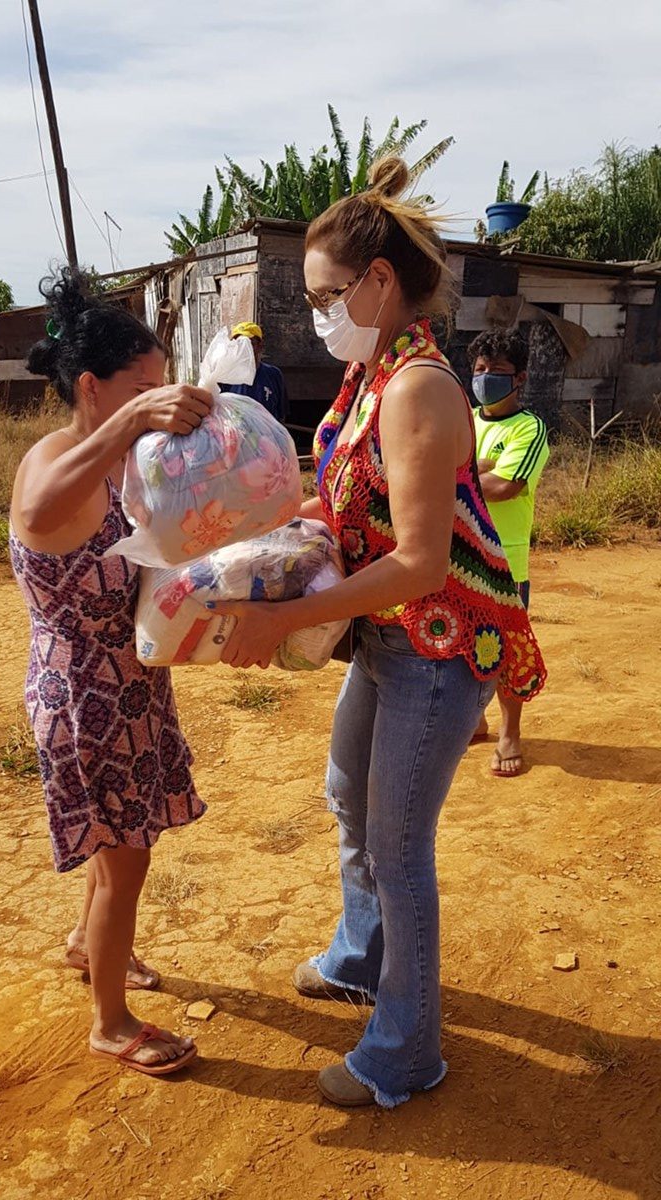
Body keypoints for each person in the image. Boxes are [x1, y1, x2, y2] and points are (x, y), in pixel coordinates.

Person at [208, 156, 546, 1109]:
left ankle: (405, 1050)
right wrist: (274, 527)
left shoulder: (420, 390)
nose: (316, 313)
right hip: (393, 638)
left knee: (398, 845)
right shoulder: (369, 374)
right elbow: (352, 502)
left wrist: (280, 616)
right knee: (347, 795)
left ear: (379, 282)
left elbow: (421, 562)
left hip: (439, 646)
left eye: (325, 295)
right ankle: (363, 957)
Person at [9, 269, 214, 1075]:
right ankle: (109, 1021)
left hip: (125, 687)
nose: (158, 403)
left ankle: (86, 945)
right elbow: (34, 514)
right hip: (84, 700)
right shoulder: (57, 459)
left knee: (117, 844)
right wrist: (129, 423)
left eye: (161, 388)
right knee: (126, 855)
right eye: (142, 390)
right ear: (92, 389)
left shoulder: (116, 466)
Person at [468, 328, 549, 778]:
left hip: (505, 561)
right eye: (480, 371)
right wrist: (475, 468)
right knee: (463, 645)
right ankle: (474, 721)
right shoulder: (465, 418)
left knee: (508, 651)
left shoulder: (529, 428)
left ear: (519, 379)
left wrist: (458, 473)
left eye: (497, 373)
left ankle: (510, 733)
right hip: (459, 554)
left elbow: (506, 485)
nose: (485, 380)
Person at [220, 320, 289, 423]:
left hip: (266, 436)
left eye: (248, 343)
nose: (243, 348)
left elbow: (281, 413)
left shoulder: (273, 374)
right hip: (235, 436)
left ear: (260, 345)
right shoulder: (225, 376)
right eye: (238, 343)